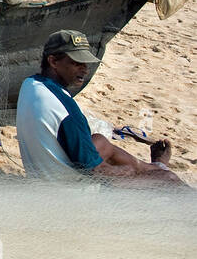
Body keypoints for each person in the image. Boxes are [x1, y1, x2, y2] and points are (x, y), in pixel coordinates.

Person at [17, 31, 185, 188]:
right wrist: (128, 172)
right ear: (53, 62)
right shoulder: (67, 112)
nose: (85, 69)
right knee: (168, 179)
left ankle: (155, 166)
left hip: (44, 174)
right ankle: (160, 171)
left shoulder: (31, 84)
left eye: (85, 63)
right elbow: (96, 173)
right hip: (70, 191)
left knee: (100, 141)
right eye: (76, 63)